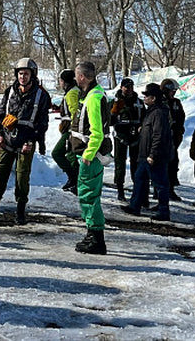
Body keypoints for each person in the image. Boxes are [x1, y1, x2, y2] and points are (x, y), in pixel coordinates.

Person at [0, 58, 50, 225]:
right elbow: (0, 114)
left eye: (26, 74)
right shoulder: (10, 91)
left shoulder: (42, 95)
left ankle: (20, 212)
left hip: (26, 142)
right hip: (7, 140)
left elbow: (43, 123)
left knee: (22, 177)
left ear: (32, 75)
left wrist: (31, 141)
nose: (22, 77)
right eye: (20, 73)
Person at [70, 61, 111, 255]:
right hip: (89, 154)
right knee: (87, 194)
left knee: (89, 195)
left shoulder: (94, 98)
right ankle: (92, 234)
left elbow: (97, 132)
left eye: (77, 76)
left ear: (82, 77)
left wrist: (88, 154)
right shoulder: (91, 94)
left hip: (91, 156)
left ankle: (96, 238)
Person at [120, 83, 174, 221]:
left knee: (160, 183)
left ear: (154, 98)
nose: (144, 98)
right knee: (139, 180)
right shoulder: (151, 111)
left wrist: (153, 154)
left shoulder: (159, 113)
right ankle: (134, 206)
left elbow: (159, 135)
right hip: (144, 154)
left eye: (146, 96)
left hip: (154, 156)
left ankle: (164, 211)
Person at [110, 77, 144, 201]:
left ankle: (137, 189)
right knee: (120, 163)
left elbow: (144, 118)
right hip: (121, 136)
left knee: (136, 163)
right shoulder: (115, 101)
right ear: (121, 88)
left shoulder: (139, 102)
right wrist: (113, 113)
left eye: (131, 87)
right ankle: (120, 189)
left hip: (135, 136)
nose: (129, 90)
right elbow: (108, 120)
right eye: (126, 87)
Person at [51, 69, 80, 194]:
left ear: (64, 81)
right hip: (70, 130)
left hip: (72, 130)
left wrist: (72, 130)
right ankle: (74, 181)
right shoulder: (73, 91)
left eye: (60, 81)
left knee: (58, 153)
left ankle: (74, 179)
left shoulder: (72, 93)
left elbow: (75, 112)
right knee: (71, 155)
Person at [160, 78, 185, 201]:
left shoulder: (176, 103)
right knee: (161, 166)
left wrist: (179, 130)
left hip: (173, 138)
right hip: (162, 139)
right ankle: (159, 190)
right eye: (172, 90)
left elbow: (181, 117)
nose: (173, 93)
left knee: (173, 163)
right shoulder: (160, 102)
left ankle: (171, 189)